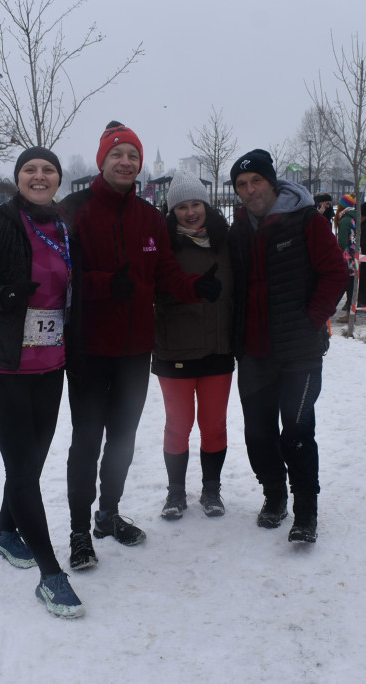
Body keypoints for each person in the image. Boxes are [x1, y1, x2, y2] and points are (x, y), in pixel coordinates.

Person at [57, 121, 220, 570]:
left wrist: (194, 287)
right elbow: (60, 277)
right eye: (117, 154)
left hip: (134, 351)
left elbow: (165, 273)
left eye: (133, 155)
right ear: (102, 160)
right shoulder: (75, 210)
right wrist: (108, 284)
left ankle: (107, 516)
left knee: (123, 440)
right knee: (87, 441)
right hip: (90, 348)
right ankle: (77, 532)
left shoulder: (149, 218)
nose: (126, 162)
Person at [0, 147, 84, 619]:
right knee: (24, 470)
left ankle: (4, 531)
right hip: (3, 365)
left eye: (48, 169)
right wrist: (3, 295)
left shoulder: (63, 226)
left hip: (51, 364)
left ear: (59, 179)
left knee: (29, 465)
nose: (39, 175)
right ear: (18, 178)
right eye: (30, 169)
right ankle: (51, 574)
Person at [228, 149, 347, 543]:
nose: (249, 190)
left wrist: (312, 319)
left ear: (272, 182)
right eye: (242, 185)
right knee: (258, 435)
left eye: (256, 181)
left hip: (300, 352)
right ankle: (274, 495)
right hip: (255, 352)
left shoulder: (306, 221)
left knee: (296, 431)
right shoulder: (240, 226)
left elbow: (335, 273)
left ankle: (306, 512)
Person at [154, 171, 234, 521]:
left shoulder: (225, 241)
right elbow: (155, 287)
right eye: (182, 207)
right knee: (178, 424)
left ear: (206, 205)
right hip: (176, 348)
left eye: (196, 204)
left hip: (218, 346)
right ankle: (175, 492)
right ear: (171, 212)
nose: (190, 212)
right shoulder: (163, 245)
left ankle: (211, 489)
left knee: (214, 424)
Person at [335, 194, 356, 321]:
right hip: (354, 256)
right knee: (351, 285)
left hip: (346, 258)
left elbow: (342, 242)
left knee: (345, 284)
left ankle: (347, 313)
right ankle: (350, 312)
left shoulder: (345, 220)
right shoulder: (354, 218)